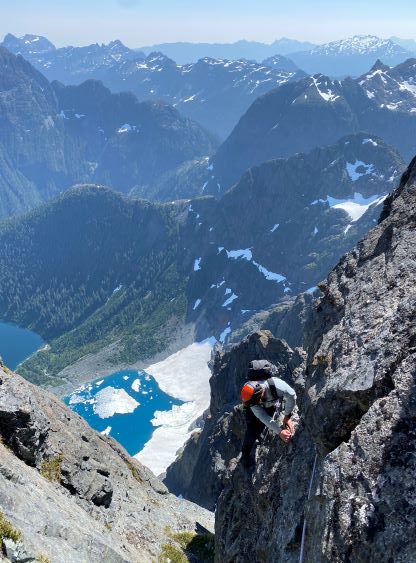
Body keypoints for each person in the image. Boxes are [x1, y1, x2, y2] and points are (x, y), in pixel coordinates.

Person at [239, 362, 296, 468]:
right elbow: (262, 416)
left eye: (257, 402)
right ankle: (245, 455)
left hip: (270, 405)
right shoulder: (252, 399)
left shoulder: (278, 386)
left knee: (261, 426)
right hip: (258, 409)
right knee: (251, 433)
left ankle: (259, 435)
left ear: (260, 396)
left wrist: (287, 416)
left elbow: (292, 395)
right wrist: (280, 431)